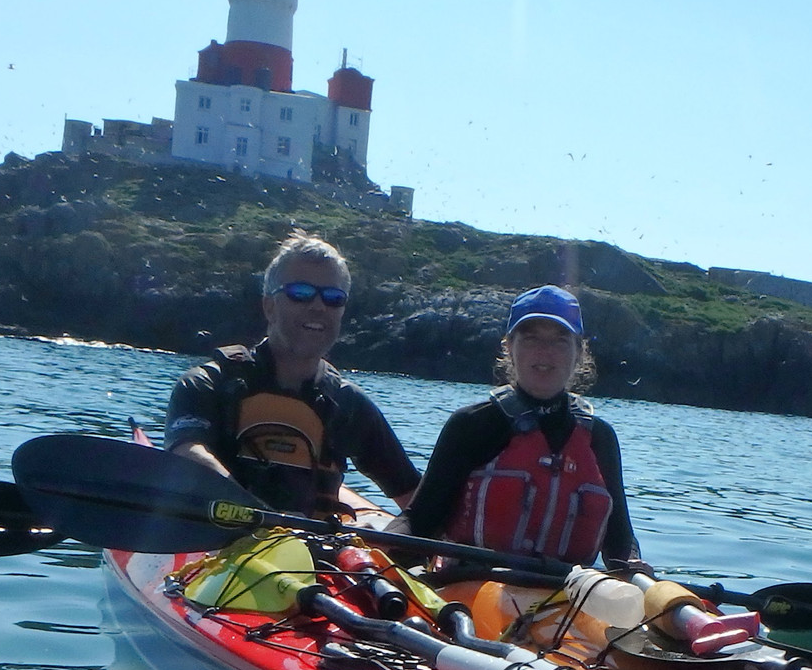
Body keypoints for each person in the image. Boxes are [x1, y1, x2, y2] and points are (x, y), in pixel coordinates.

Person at [164, 233, 420, 517]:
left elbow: (414, 496)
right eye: (301, 293)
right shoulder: (206, 385)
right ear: (269, 306)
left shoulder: (349, 404)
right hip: (221, 543)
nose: (319, 306)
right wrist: (255, 517)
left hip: (314, 553)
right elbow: (187, 454)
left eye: (333, 298)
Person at [401, 285, 639, 567]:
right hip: (469, 593)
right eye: (531, 338)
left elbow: (621, 544)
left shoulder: (600, 438)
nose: (545, 352)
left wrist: (633, 565)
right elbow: (417, 522)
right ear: (509, 347)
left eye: (560, 340)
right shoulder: (472, 426)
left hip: (567, 599)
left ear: (578, 352)